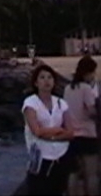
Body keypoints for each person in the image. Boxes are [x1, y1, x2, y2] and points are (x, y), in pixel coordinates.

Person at [22, 64, 75, 195]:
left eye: (50, 77)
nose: (46, 81)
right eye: (42, 78)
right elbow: (37, 131)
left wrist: (52, 136)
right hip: (40, 157)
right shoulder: (31, 103)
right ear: (36, 82)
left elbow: (70, 132)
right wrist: (58, 129)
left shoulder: (61, 103)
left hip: (61, 155)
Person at [63, 56, 98, 196]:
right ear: (87, 72)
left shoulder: (67, 88)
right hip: (87, 134)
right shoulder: (86, 89)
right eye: (93, 72)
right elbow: (90, 111)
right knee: (91, 174)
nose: (93, 75)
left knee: (73, 173)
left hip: (71, 135)